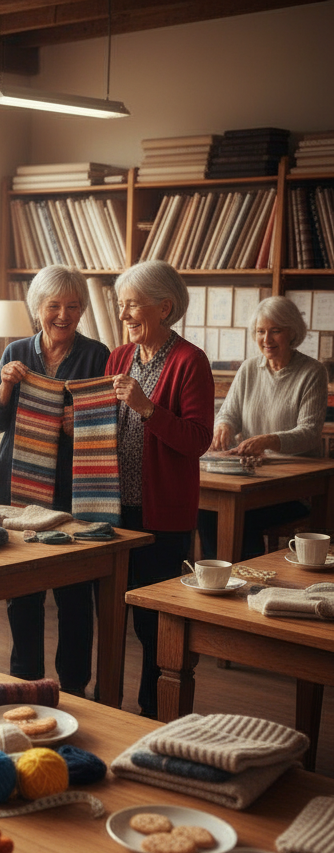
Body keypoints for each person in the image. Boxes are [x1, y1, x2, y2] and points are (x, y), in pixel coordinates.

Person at [0, 265, 110, 696]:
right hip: (17, 489)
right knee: (22, 592)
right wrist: (3, 387)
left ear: (81, 311)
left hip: (74, 492)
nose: (62, 314)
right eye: (53, 305)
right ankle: (26, 681)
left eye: (73, 306)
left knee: (75, 595)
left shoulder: (97, 355)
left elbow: (109, 424)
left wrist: (83, 421)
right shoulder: (16, 352)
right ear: (38, 308)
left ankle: (74, 686)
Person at [106, 260, 214, 719]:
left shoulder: (191, 362)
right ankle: (111, 707)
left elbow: (197, 440)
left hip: (162, 515)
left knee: (155, 625)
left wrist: (147, 407)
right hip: (113, 511)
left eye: (132, 304)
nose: (125, 313)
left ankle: (153, 712)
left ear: (164, 307)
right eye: (121, 304)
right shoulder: (117, 357)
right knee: (113, 618)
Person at [199, 295, 328, 560]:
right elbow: (229, 413)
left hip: (294, 487)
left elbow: (309, 432)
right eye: (260, 331)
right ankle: (220, 578)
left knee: (245, 515)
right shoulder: (248, 369)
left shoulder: (312, 372)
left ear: (292, 332)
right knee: (205, 510)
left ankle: (247, 582)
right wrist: (223, 425)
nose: (266, 339)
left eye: (275, 331)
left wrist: (268, 440)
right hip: (251, 477)